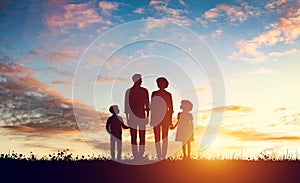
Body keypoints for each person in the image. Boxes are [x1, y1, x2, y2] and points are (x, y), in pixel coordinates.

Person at [124, 74, 150, 159]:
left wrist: (147, 117)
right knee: (134, 135)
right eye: (140, 79)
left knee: (142, 135)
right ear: (136, 80)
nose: (141, 81)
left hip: (141, 115)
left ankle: (140, 154)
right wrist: (127, 118)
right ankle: (135, 155)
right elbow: (126, 105)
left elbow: (147, 105)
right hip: (133, 115)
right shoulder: (129, 91)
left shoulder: (144, 91)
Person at [150, 77, 173, 160]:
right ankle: (159, 155)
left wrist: (170, 120)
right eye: (159, 83)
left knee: (164, 137)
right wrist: (152, 119)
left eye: (162, 83)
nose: (160, 84)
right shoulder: (154, 93)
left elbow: (171, 108)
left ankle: (163, 155)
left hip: (165, 118)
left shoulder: (168, 94)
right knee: (157, 137)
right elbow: (152, 107)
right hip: (156, 117)